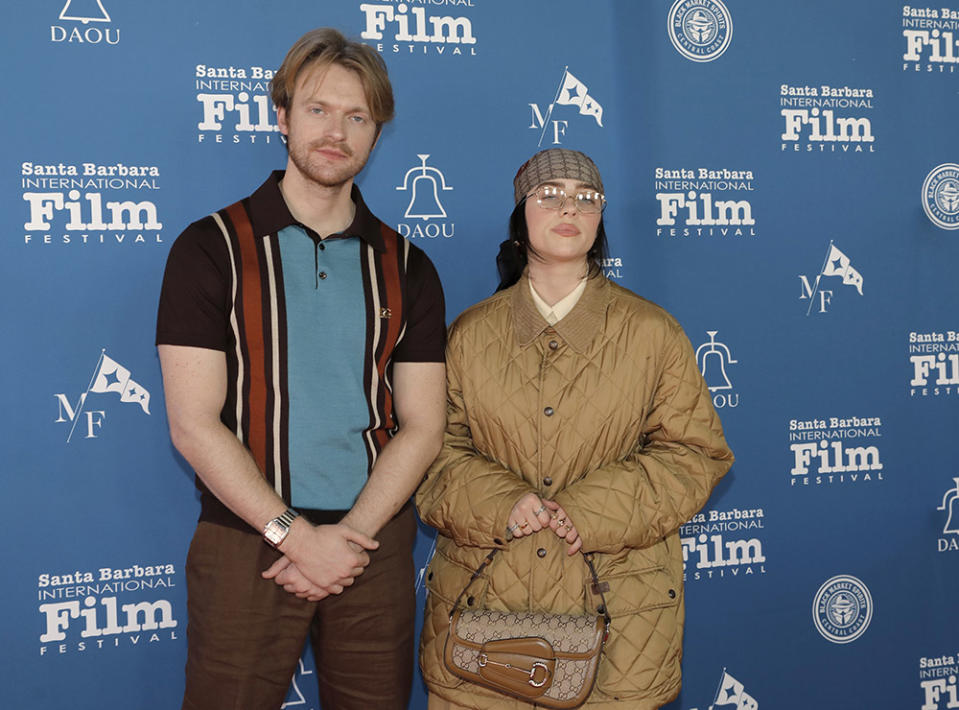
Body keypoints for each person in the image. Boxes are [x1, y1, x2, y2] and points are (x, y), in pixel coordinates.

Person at [156, 28, 447, 710]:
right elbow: (193, 425)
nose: (336, 132)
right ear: (281, 116)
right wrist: (293, 535)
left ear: (376, 134)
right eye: (318, 109)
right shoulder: (211, 248)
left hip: (370, 549)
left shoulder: (408, 267)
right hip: (244, 543)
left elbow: (424, 425)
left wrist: (349, 539)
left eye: (358, 117)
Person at [415, 148, 734, 709]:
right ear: (520, 216)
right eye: (549, 195)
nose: (569, 208)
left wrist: (589, 511)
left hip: (620, 629)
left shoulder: (653, 333)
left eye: (586, 199)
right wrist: (502, 502)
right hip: (485, 618)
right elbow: (430, 450)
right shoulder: (468, 335)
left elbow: (695, 454)